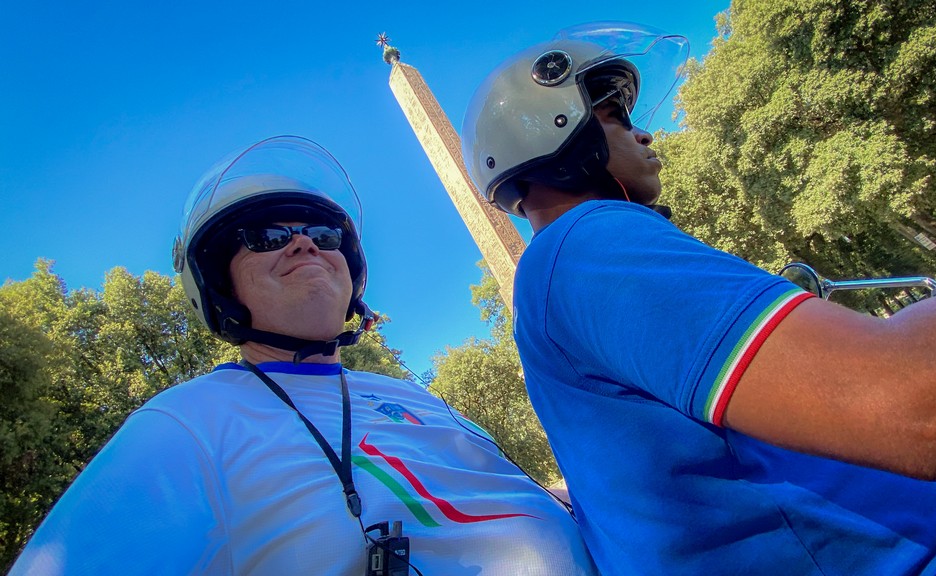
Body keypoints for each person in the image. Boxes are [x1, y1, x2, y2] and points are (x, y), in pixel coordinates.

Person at [460, 21, 936, 575]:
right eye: (612, 117)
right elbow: (915, 402)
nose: (644, 134)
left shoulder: (556, 272)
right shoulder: (590, 245)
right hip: (924, 557)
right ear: (556, 134)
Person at [10, 135, 597, 575]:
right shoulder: (188, 422)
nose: (302, 243)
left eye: (324, 235)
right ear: (217, 288)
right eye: (267, 236)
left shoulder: (414, 396)